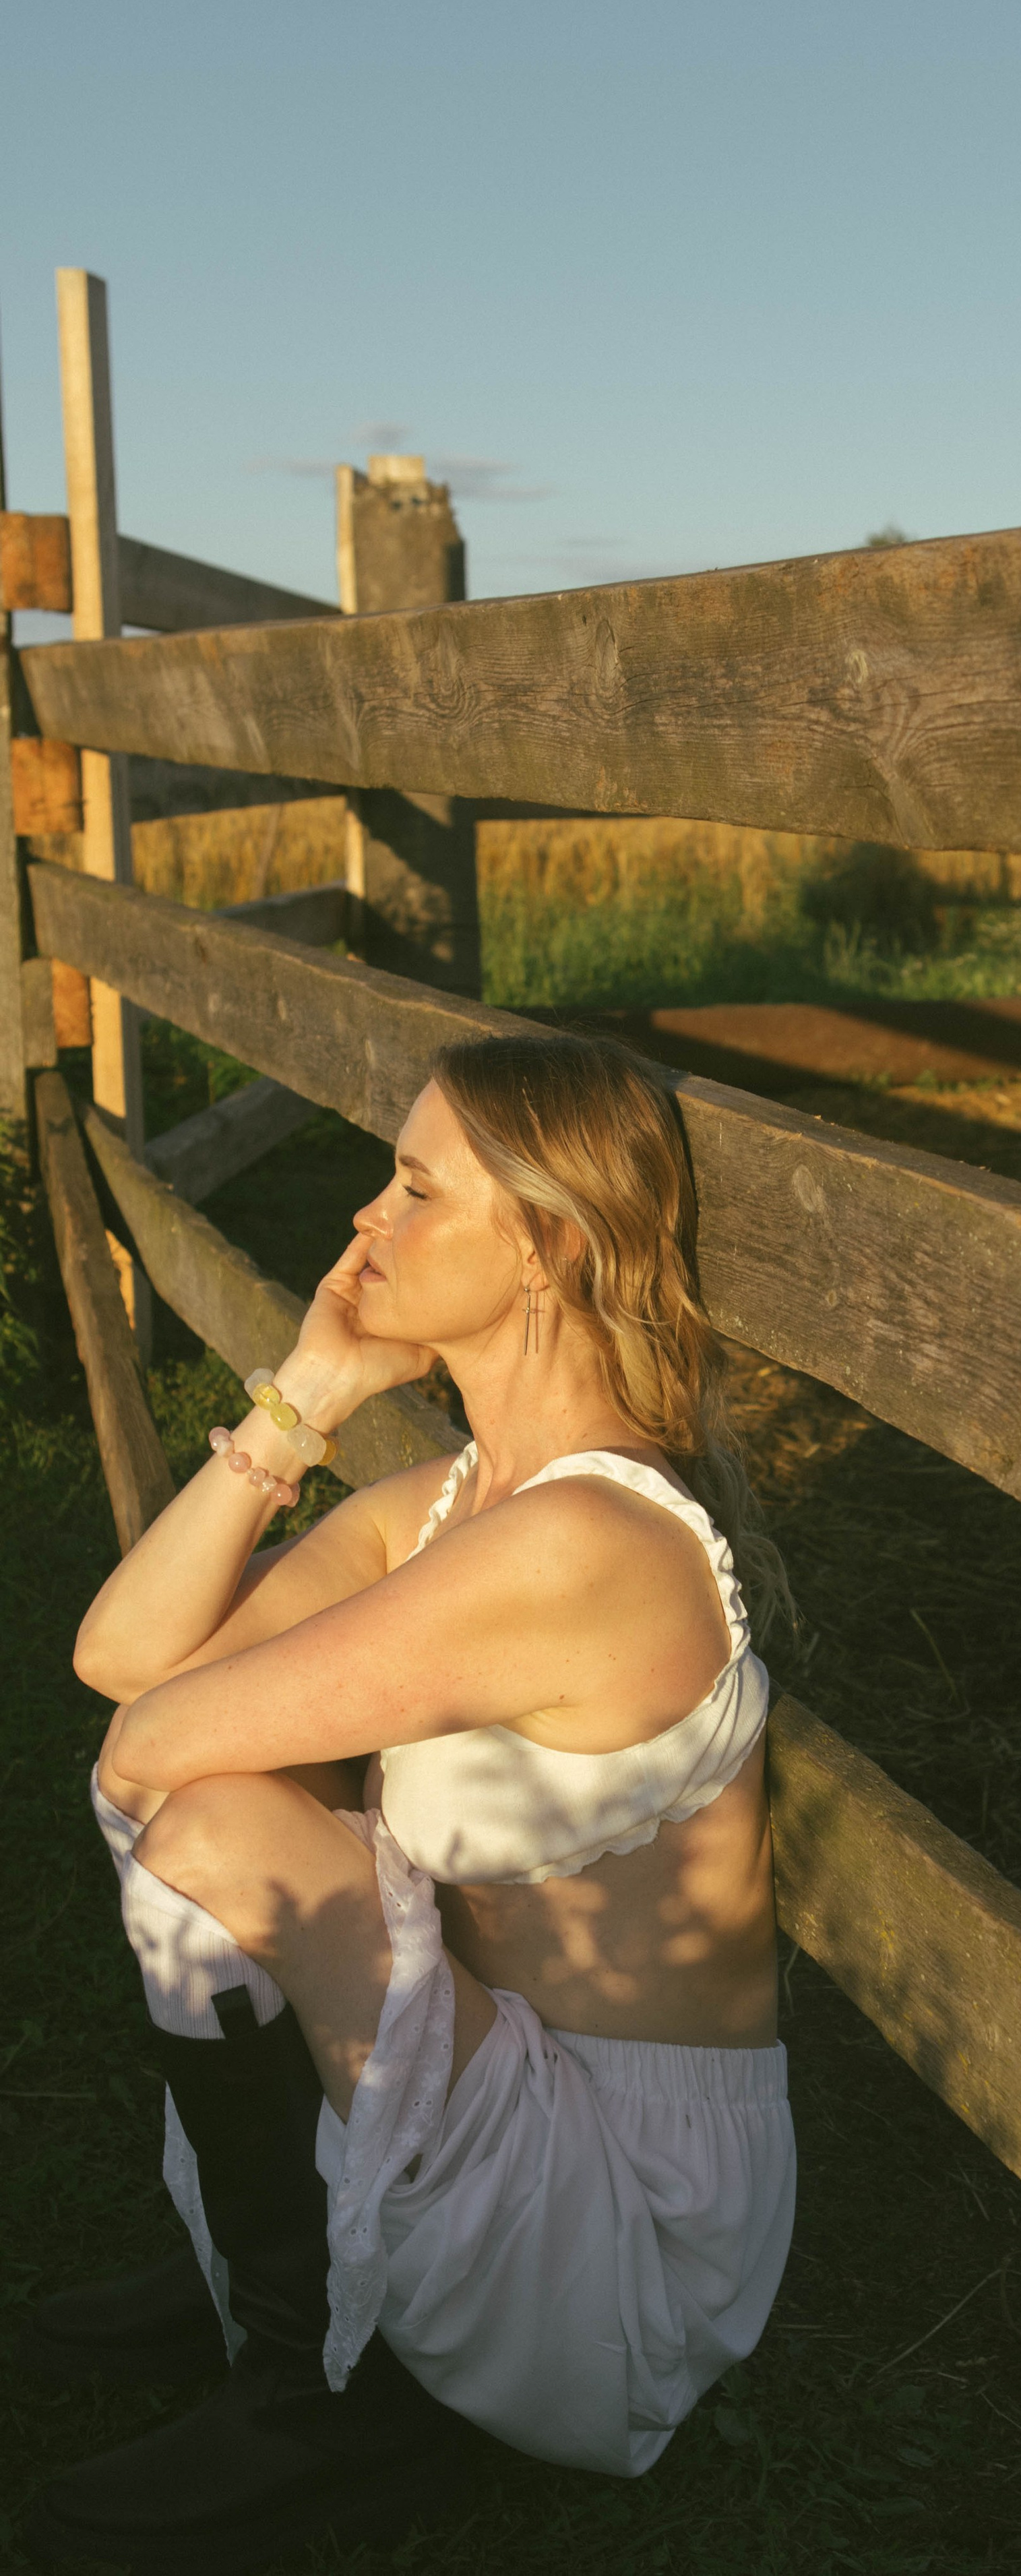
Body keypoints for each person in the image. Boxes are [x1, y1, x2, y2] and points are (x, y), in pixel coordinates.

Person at [24, 1033, 797, 2572]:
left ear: (547, 1248)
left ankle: (334, 2393)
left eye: (417, 1188)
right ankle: (279, 2269)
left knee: (217, 1825)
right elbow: (119, 1658)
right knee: (212, 1805)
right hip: (497, 2095)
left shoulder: (581, 1546)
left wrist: (216, 1765)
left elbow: (151, 1745)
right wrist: (308, 1392)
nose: (366, 1220)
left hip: (625, 2233)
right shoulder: (448, 1505)